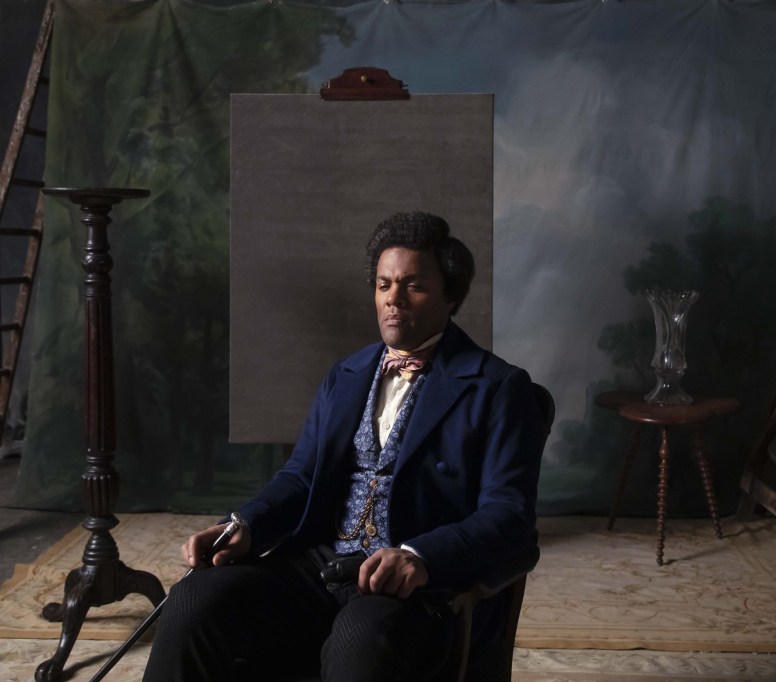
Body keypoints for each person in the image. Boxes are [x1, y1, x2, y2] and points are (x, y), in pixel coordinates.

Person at [143, 211, 546, 681]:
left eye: (412, 285)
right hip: (320, 565)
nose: (393, 300)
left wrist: (420, 556)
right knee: (196, 598)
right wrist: (245, 524)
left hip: (411, 588)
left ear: (450, 295)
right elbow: (299, 478)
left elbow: (508, 516)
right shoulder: (346, 375)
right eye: (383, 285)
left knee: (359, 638)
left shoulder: (499, 388)